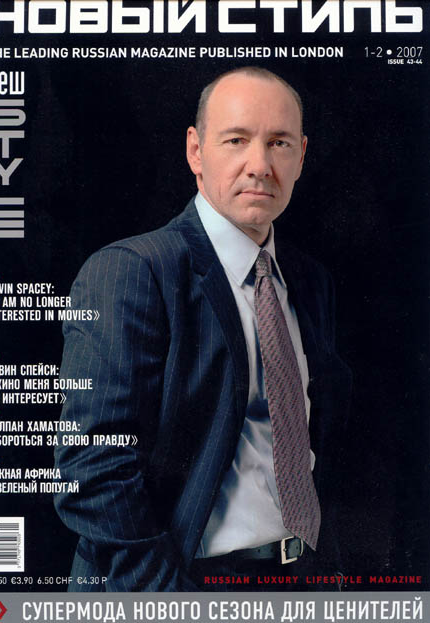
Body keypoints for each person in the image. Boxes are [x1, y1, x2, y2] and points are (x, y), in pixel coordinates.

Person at [54, 66, 352, 592]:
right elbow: (93, 469)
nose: (259, 166)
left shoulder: (310, 281)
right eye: (236, 140)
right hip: (179, 587)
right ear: (196, 150)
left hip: (298, 580)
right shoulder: (133, 271)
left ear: (301, 156)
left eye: (279, 143)